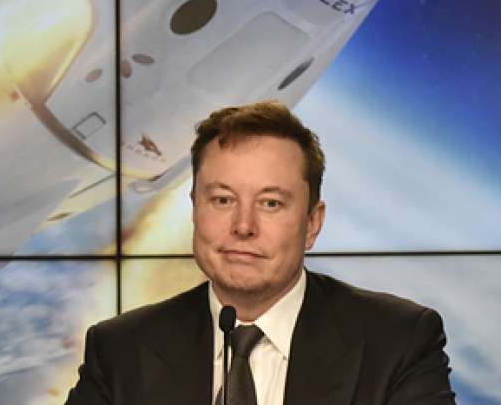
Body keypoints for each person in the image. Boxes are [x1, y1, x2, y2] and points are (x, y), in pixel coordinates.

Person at [66, 101, 456, 405]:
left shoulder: (398, 342)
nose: (243, 225)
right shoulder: (120, 349)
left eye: (270, 203)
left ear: (312, 223)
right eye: (222, 199)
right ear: (195, 210)